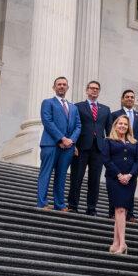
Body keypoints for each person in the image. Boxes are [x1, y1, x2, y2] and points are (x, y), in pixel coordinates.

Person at [36, 76, 80, 212]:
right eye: (59, 84)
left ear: (67, 88)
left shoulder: (73, 107)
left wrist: (71, 141)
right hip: (50, 145)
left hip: (67, 147)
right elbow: (47, 121)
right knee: (46, 173)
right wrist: (61, 139)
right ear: (54, 87)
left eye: (64, 84)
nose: (61, 86)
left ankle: (59, 204)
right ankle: (42, 203)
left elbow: (78, 126)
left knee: (61, 176)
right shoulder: (48, 102)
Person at [68, 80, 110, 216]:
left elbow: (109, 132)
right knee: (77, 177)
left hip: (98, 149)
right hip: (80, 147)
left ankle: (91, 208)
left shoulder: (106, 109)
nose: (94, 91)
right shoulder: (77, 107)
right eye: (92, 88)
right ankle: (73, 205)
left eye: (97, 89)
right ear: (87, 90)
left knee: (95, 180)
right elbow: (72, 127)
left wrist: (107, 150)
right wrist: (73, 144)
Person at [100, 113, 138, 255]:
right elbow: (106, 159)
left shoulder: (134, 142)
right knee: (120, 210)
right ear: (115, 126)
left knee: (122, 211)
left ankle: (115, 242)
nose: (122, 126)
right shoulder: (109, 140)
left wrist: (129, 175)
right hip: (114, 179)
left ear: (128, 127)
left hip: (130, 179)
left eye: (125, 124)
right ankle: (123, 242)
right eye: (120, 124)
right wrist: (119, 175)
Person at [109, 89, 138, 220]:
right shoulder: (115, 114)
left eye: (132, 97)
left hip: (133, 154)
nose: (130, 99)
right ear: (122, 99)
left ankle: (130, 214)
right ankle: (112, 212)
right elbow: (110, 131)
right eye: (127, 97)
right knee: (115, 188)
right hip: (117, 155)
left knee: (131, 186)